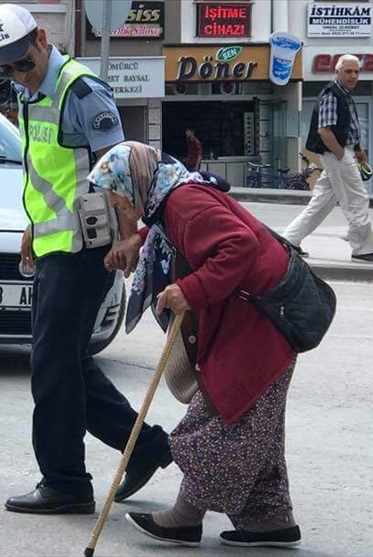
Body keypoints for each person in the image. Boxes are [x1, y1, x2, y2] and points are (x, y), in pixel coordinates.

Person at [0, 4, 172, 514]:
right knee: (68, 363)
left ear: (42, 38)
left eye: (22, 62)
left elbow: (120, 170)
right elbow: (51, 174)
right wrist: (33, 227)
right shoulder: (30, 93)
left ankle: (65, 481)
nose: (18, 75)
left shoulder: (81, 91)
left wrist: (128, 239)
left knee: (51, 366)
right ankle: (145, 446)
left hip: (86, 251)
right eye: (6, 69)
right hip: (53, 245)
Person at [88, 141, 302, 548]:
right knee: (254, 422)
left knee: (224, 413)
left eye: (118, 198)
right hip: (257, 316)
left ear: (134, 184)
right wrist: (142, 237)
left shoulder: (183, 202)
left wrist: (190, 289)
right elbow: (183, 227)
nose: (118, 206)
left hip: (263, 320)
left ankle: (185, 518)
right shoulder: (169, 198)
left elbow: (238, 244)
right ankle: (269, 519)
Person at [284, 54, 373, 263]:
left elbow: (348, 126)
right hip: (336, 153)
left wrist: (357, 149)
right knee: (357, 199)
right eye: (348, 71)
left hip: (342, 152)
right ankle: (362, 249)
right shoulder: (332, 94)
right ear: (337, 72)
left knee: (322, 201)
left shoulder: (344, 93)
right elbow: (324, 131)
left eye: (356, 71)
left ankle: (289, 240)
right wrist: (341, 155)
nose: (353, 75)